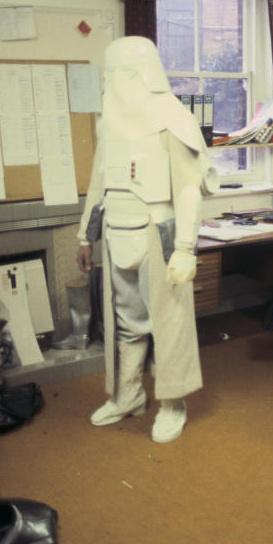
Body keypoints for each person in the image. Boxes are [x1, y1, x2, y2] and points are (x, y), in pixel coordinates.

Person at [76, 36, 217, 443]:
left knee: (168, 324)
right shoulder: (111, 121)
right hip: (117, 232)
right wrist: (85, 235)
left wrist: (186, 248)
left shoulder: (174, 118)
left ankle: (173, 402)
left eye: (113, 74)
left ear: (138, 74)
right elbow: (98, 182)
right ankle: (129, 393)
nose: (108, 83)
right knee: (125, 323)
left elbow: (189, 187)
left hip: (159, 233)